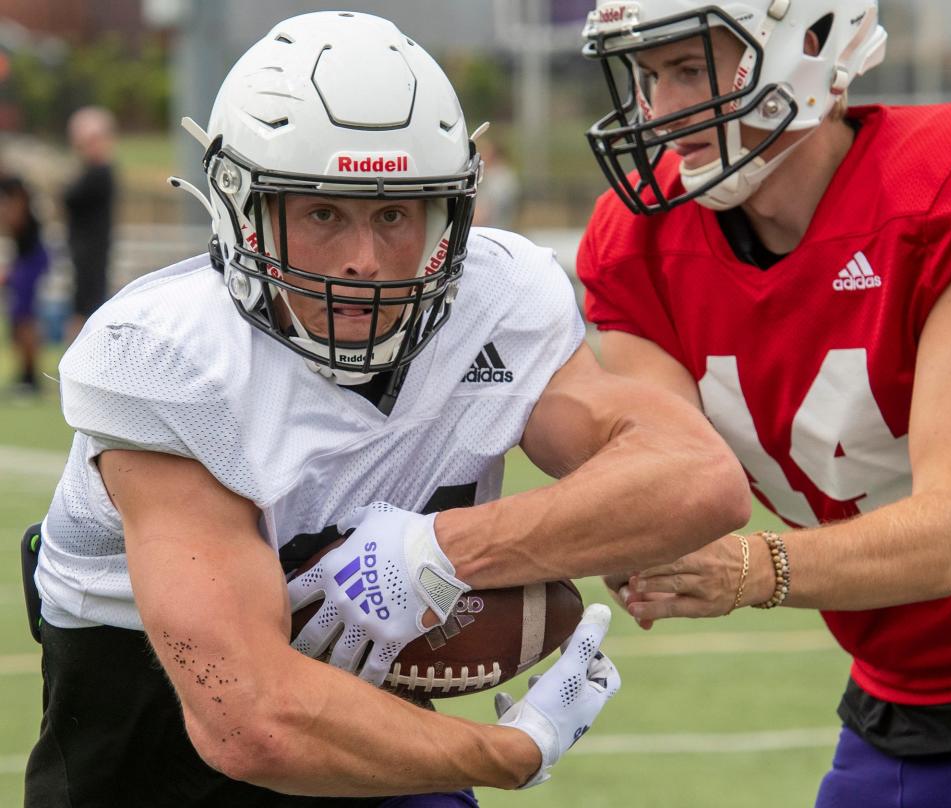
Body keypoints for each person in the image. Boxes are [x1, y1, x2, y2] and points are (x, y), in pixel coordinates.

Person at [24, 12, 751, 808]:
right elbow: (248, 720)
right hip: (153, 764)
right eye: (323, 214)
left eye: (396, 215)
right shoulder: (164, 354)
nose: (364, 261)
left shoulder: (499, 298)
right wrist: (509, 750)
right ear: (241, 209)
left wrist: (435, 550)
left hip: (376, 748)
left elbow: (700, 479)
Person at [577, 1, 951, 806]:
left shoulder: (935, 192)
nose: (663, 111)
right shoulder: (642, 243)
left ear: (811, 43)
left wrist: (759, 567)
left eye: (691, 68)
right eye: (648, 76)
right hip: (905, 699)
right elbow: (663, 484)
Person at [63, 105, 116, 341]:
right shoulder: (90, 172)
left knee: (88, 306)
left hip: (92, 251)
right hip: (84, 250)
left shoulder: (100, 174)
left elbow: (70, 196)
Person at [0, 175, 49, 394]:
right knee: (18, 321)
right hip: (25, 261)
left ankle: (31, 378)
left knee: (25, 320)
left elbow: (14, 221)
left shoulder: (16, 191)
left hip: (31, 261)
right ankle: (25, 375)